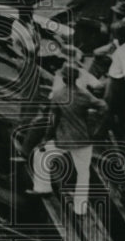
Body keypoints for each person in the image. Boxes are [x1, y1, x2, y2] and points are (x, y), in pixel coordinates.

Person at [44, 65, 107, 216]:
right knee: (83, 173)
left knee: (43, 156)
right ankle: (80, 209)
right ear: (76, 79)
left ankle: (43, 187)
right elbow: (103, 105)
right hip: (83, 140)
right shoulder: (84, 95)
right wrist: (94, 122)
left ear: (64, 79)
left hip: (64, 139)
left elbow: (52, 121)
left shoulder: (58, 95)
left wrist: (46, 137)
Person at [97, 18, 125, 137]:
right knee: (109, 107)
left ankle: (99, 134)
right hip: (114, 79)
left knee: (107, 108)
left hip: (116, 82)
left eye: (116, 35)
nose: (115, 37)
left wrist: (123, 82)